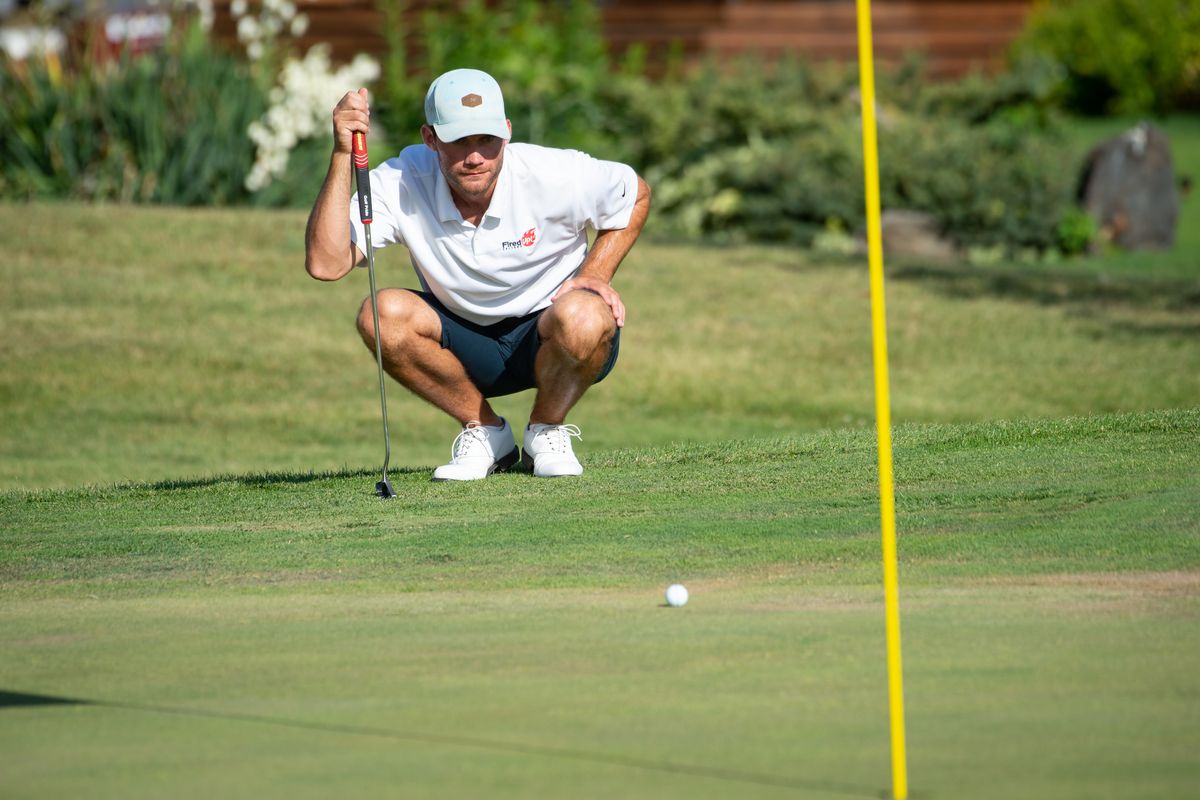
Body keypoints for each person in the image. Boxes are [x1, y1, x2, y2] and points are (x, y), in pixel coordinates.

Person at [305, 68, 651, 481]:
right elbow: (326, 264)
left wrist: (596, 273)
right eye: (458, 141)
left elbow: (636, 192)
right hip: (463, 344)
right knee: (381, 314)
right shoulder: (400, 180)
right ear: (429, 138)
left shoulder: (553, 173)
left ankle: (546, 430)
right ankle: (486, 433)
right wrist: (343, 153)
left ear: (506, 131)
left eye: (487, 140)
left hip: (550, 335)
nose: (475, 157)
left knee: (587, 315)